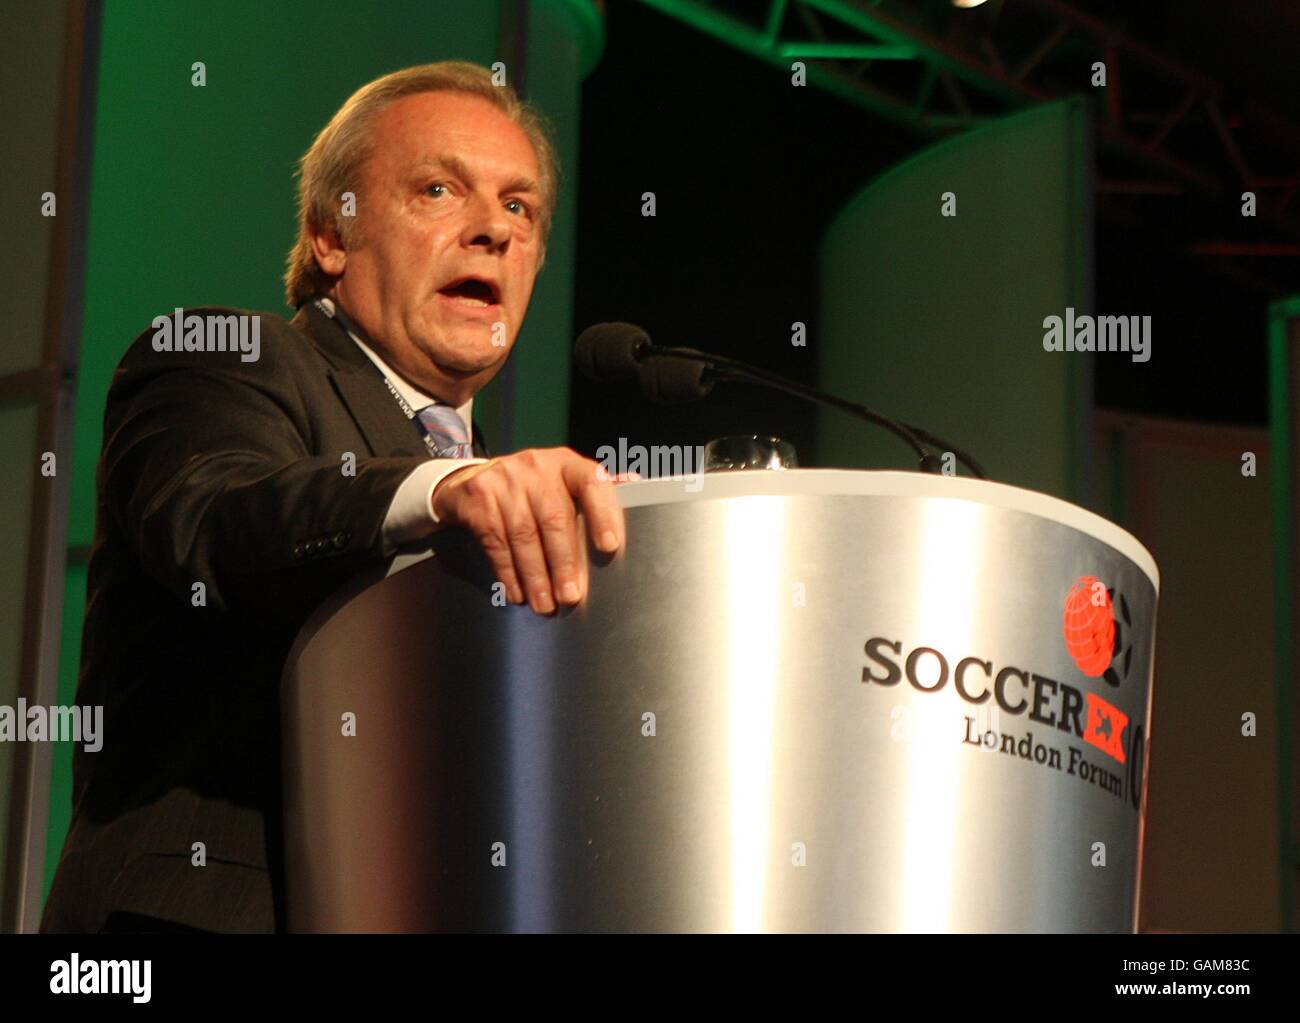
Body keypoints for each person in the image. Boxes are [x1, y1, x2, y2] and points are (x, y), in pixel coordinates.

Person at [40, 61, 625, 933]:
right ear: (331, 235)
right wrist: (446, 488)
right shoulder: (225, 358)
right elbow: (220, 515)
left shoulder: (508, 495)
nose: (493, 231)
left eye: (520, 208)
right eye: (439, 188)